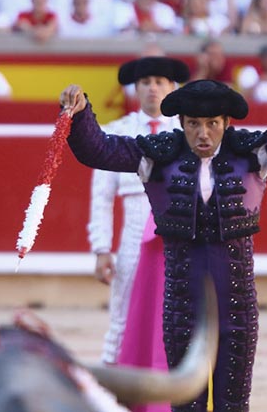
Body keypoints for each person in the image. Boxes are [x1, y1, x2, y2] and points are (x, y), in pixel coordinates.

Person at [60, 79, 267, 412]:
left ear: (226, 122)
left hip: (236, 305)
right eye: (194, 124)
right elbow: (99, 149)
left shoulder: (253, 151)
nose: (203, 134)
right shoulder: (157, 154)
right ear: (181, 124)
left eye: (212, 124)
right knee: (186, 404)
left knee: (233, 404)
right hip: (181, 304)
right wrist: (80, 115)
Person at [88, 56, 189, 365]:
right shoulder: (116, 132)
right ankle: (114, 388)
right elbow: (102, 196)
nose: (152, 89)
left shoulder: (190, 132)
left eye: (160, 82)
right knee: (122, 312)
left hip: (178, 230)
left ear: (172, 88)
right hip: (133, 230)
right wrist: (101, 248)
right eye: (146, 83)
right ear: (135, 89)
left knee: (180, 313)